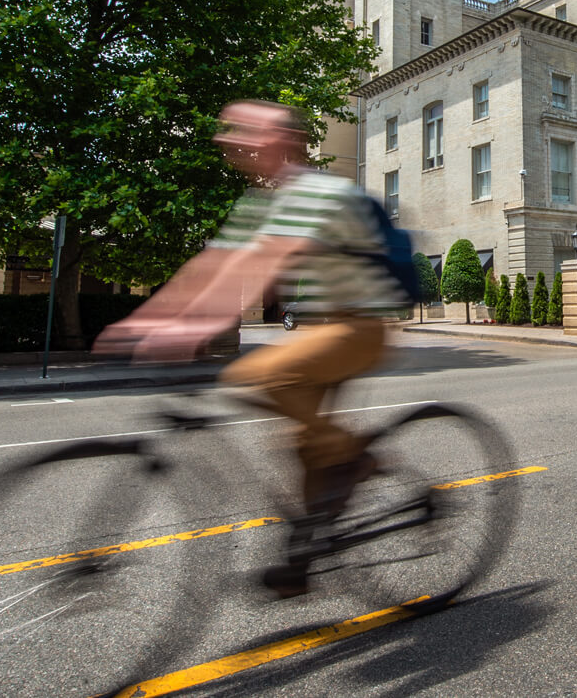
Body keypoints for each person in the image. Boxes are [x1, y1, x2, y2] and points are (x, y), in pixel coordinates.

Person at [95, 99, 406, 597]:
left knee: (255, 376)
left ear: (283, 140)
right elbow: (213, 265)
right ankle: (306, 552)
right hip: (323, 329)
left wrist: (192, 329)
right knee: (304, 445)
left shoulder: (317, 192)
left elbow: (259, 264)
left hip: (360, 327)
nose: (229, 139)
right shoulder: (263, 201)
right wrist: (145, 319)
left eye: (244, 130)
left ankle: (356, 458)